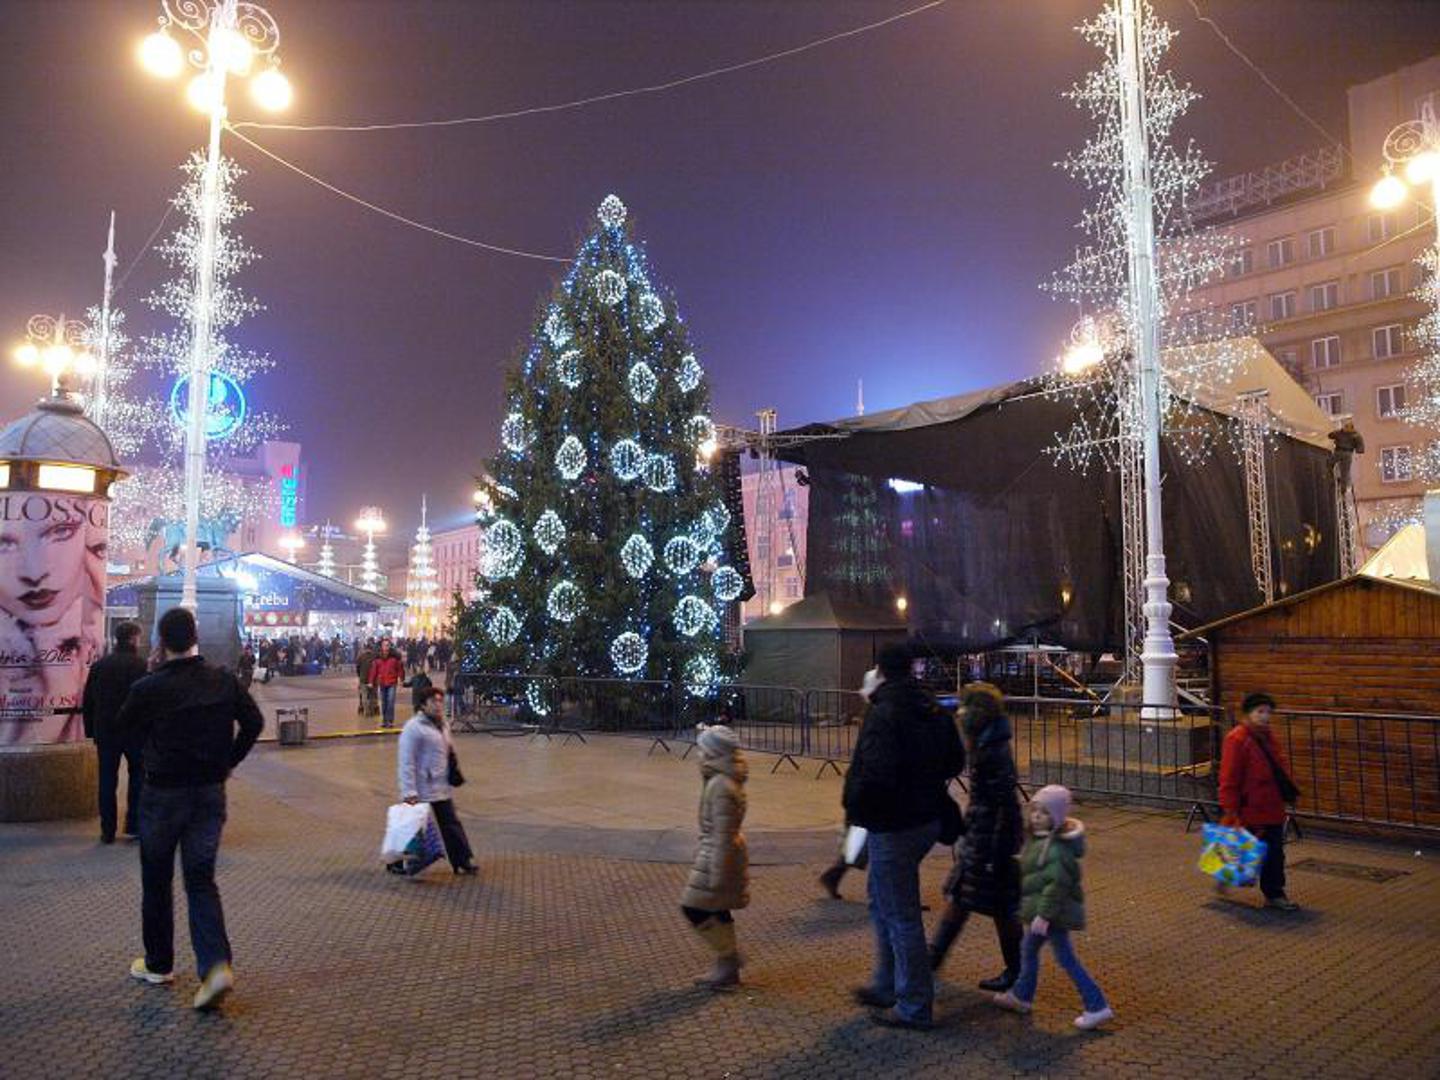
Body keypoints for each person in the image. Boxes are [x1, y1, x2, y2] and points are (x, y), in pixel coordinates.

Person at [118, 606, 264, 1011]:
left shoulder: (150, 687)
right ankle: (215, 967)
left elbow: (123, 728)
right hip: (209, 793)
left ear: (161, 642)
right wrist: (228, 761)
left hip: (163, 794)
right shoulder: (223, 680)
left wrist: (150, 751)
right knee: (201, 880)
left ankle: (158, 963)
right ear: (195, 637)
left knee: (157, 878)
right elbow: (254, 723)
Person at [843, 644, 965, 1030]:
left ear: (880, 670)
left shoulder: (884, 712)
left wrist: (858, 806)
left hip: (893, 823)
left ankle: (913, 1004)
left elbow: (875, 772)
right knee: (883, 901)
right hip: (927, 818)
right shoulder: (930, 707)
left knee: (900, 914)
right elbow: (955, 760)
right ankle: (887, 983)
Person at [992, 784, 1113, 1031]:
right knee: (1029, 950)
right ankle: (1022, 995)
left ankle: (1096, 1005)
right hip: (1045, 913)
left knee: (1065, 958)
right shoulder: (1041, 840)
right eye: (1035, 811)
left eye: (1044, 813)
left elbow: (1056, 884)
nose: (1036, 817)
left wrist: (1044, 915)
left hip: (1052, 916)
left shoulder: (1055, 849)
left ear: (1056, 818)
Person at [929, 682, 1024, 991]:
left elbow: (1001, 804)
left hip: (989, 843)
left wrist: (992, 851)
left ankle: (1017, 972)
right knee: (974, 901)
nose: (960, 714)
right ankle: (1016, 971)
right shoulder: (988, 743)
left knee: (987, 905)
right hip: (984, 838)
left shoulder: (991, 751)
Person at [680, 724, 749, 990]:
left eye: (702, 749)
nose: (698, 754)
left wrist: (718, 873)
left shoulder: (721, 784)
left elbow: (723, 834)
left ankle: (729, 958)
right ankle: (727, 967)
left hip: (718, 854)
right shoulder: (720, 777)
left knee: (694, 907)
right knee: (717, 908)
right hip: (716, 852)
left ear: (712, 752)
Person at [1218, 692, 1300, 911]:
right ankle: (1227, 875)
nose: (1265, 716)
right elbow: (1229, 776)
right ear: (1248, 714)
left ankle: (1274, 893)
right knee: (1245, 846)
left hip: (1271, 806)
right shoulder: (1237, 739)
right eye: (1260, 712)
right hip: (1250, 807)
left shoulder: (1268, 737)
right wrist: (1230, 807)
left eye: (1268, 712)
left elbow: (1279, 767)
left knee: (1274, 852)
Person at [393, 685, 477, 876]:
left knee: (451, 824)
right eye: (433, 701)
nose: (438, 705)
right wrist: (409, 791)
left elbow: (448, 751)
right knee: (411, 827)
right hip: (420, 786)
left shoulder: (443, 724)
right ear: (423, 705)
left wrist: (452, 772)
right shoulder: (413, 728)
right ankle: (396, 861)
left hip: (440, 784)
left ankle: (462, 860)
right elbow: (406, 762)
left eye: (440, 700)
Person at [818, 666, 884, 899]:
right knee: (865, 836)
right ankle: (837, 873)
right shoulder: (877, 714)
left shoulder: (874, 713)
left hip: (861, 785)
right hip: (864, 786)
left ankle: (836, 873)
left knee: (861, 835)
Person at [82, 621, 149, 844]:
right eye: (138, 637)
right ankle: (134, 825)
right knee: (138, 776)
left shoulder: (100, 666)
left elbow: (89, 700)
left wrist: (91, 730)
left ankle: (107, 830)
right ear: (133, 638)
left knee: (107, 779)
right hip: (135, 731)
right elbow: (147, 701)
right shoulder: (141, 666)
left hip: (106, 732)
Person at [369, 639, 404, 728]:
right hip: (382, 683)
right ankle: (384, 720)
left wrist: (401, 679)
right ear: (381, 647)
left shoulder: (394, 658)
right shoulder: (377, 659)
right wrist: (371, 682)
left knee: (390, 702)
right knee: (384, 703)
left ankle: (390, 721)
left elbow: (399, 669)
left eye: (388, 645)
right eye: (384, 645)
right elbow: (373, 671)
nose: (386, 647)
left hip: (392, 682)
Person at [355, 640, 375, 716]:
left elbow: (357, 667)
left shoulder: (361, 656)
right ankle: (372, 709)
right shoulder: (374, 656)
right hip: (373, 679)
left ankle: (366, 711)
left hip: (363, 678)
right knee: (372, 695)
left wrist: (359, 675)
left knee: (364, 695)